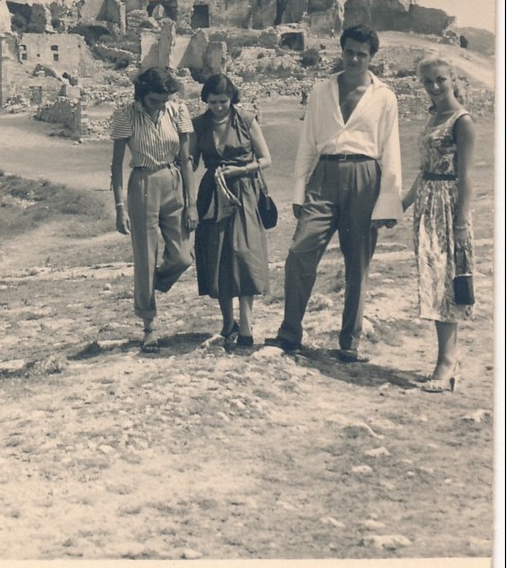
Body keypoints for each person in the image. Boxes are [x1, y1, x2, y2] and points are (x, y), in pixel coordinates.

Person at [266, 24, 402, 362]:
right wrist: (299, 193)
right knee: (299, 253)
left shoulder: (384, 96)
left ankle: (349, 342)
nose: (354, 58)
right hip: (323, 176)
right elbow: (307, 144)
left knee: (357, 262)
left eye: (362, 54)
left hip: (365, 176)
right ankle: (289, 333)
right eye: (349, 52)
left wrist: (388, 201)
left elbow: (391, 150)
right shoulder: (320, 91)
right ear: (340, 51)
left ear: (372, 57)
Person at [110, 67, 197, 352]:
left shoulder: (177, 110)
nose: (160, 106)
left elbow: (186, 159)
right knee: (145, 257)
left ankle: (152, 283)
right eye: (154, 101)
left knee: (183, 257)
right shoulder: (126, 114)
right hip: (143, 182)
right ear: (141, 95)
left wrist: (191, 202)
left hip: (172, 180)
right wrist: (120, 206)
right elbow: (116, 164)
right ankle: (149, 327)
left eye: (164, 100)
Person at [401, 56, 475, 392]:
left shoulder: (462, 121)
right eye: (427, 81)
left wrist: (461, 221)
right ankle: (450, 356)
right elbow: (424, 169)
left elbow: (466, 176)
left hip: (448, 205)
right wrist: (402, 204)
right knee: (432, 280)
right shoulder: (433, 116)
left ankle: (446, 362)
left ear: (453, 79)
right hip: (427, 203)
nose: (434, 87)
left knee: (445, 282)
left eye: (440, 80)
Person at [190, 74, 271, 348]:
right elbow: (190, 161)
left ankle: (246, 324)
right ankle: (228, 322)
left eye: (223, 101)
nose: (218, 107)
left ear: (232, 98)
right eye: (212, 102)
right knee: (217, 256)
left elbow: (266, 159)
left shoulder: (246, 120)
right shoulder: (199, 124)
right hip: (212, 195)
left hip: (245, 192)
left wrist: (242, 170)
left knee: (244, 255)